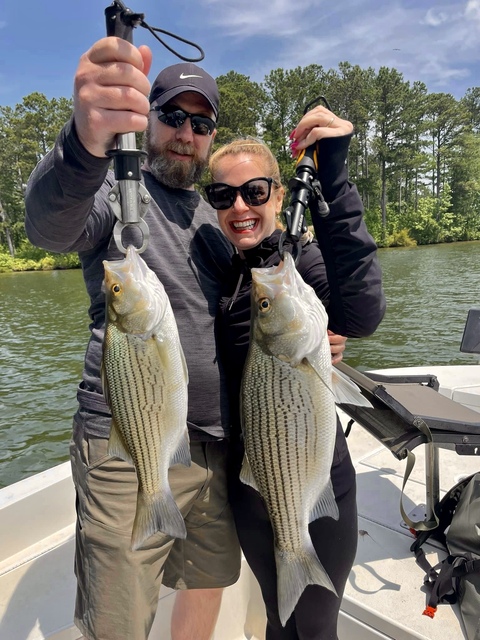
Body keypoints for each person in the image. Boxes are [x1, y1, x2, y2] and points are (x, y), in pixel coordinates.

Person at [24, 37, 241, 640]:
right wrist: (84, 142)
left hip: (214, 445)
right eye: (172, 114)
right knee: (118, 618)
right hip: (126, 440)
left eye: (201, 123)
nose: (185, 133)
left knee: (207, 581)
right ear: (146, 118)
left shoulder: (215, 216)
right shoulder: (117, 193)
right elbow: (49, 225)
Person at [205, 108, 386, 639]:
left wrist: (334, 175)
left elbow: (362, 312)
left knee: (315, 627)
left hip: (317, 482)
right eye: (223, 196)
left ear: (280, 196)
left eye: (255, 191)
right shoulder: (219, 273)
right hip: (250, 488)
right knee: (277, 621)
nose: (240, 206)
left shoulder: (301, 265)